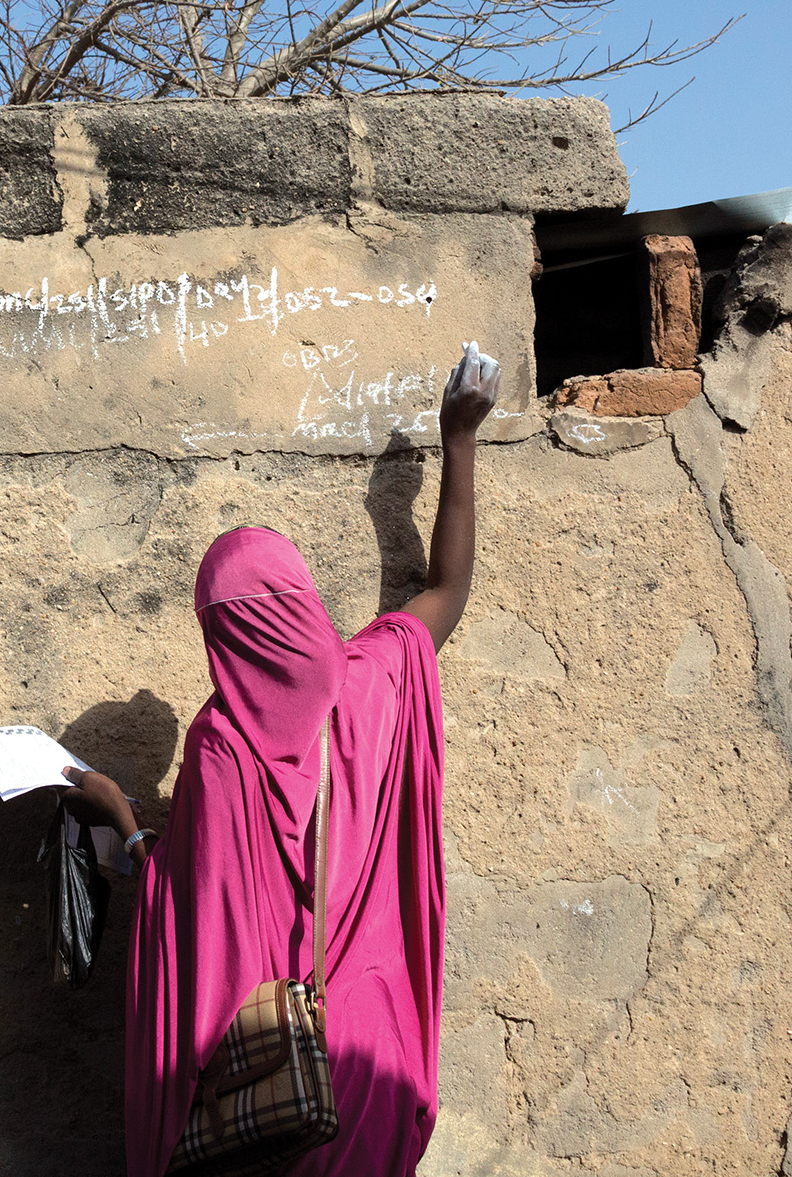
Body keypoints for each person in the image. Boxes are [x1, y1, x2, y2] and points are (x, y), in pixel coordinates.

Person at [65, 342, 499, 1176]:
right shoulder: (378, 680)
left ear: (218, 635)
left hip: (274, 1091)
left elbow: (195, 917)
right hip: (371, 1057)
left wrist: (118, 815)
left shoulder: (224, 744)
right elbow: (447, 588)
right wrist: (458, 440)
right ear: (302, 601)